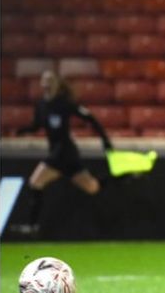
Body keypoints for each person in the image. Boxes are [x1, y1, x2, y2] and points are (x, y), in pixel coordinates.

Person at [13, 70, 113, 234]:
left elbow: (90, 118)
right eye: (44, 79)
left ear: (57, 84)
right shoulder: (41, 105)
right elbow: (37, 125)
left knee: (35, 182)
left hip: (64, 151)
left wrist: (105, 140)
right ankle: (123, 177)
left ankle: (32, 226)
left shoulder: (64, 104)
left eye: (51, 80)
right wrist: (22, 131)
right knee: (92, 187)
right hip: (62, 155)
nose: (47, 83)